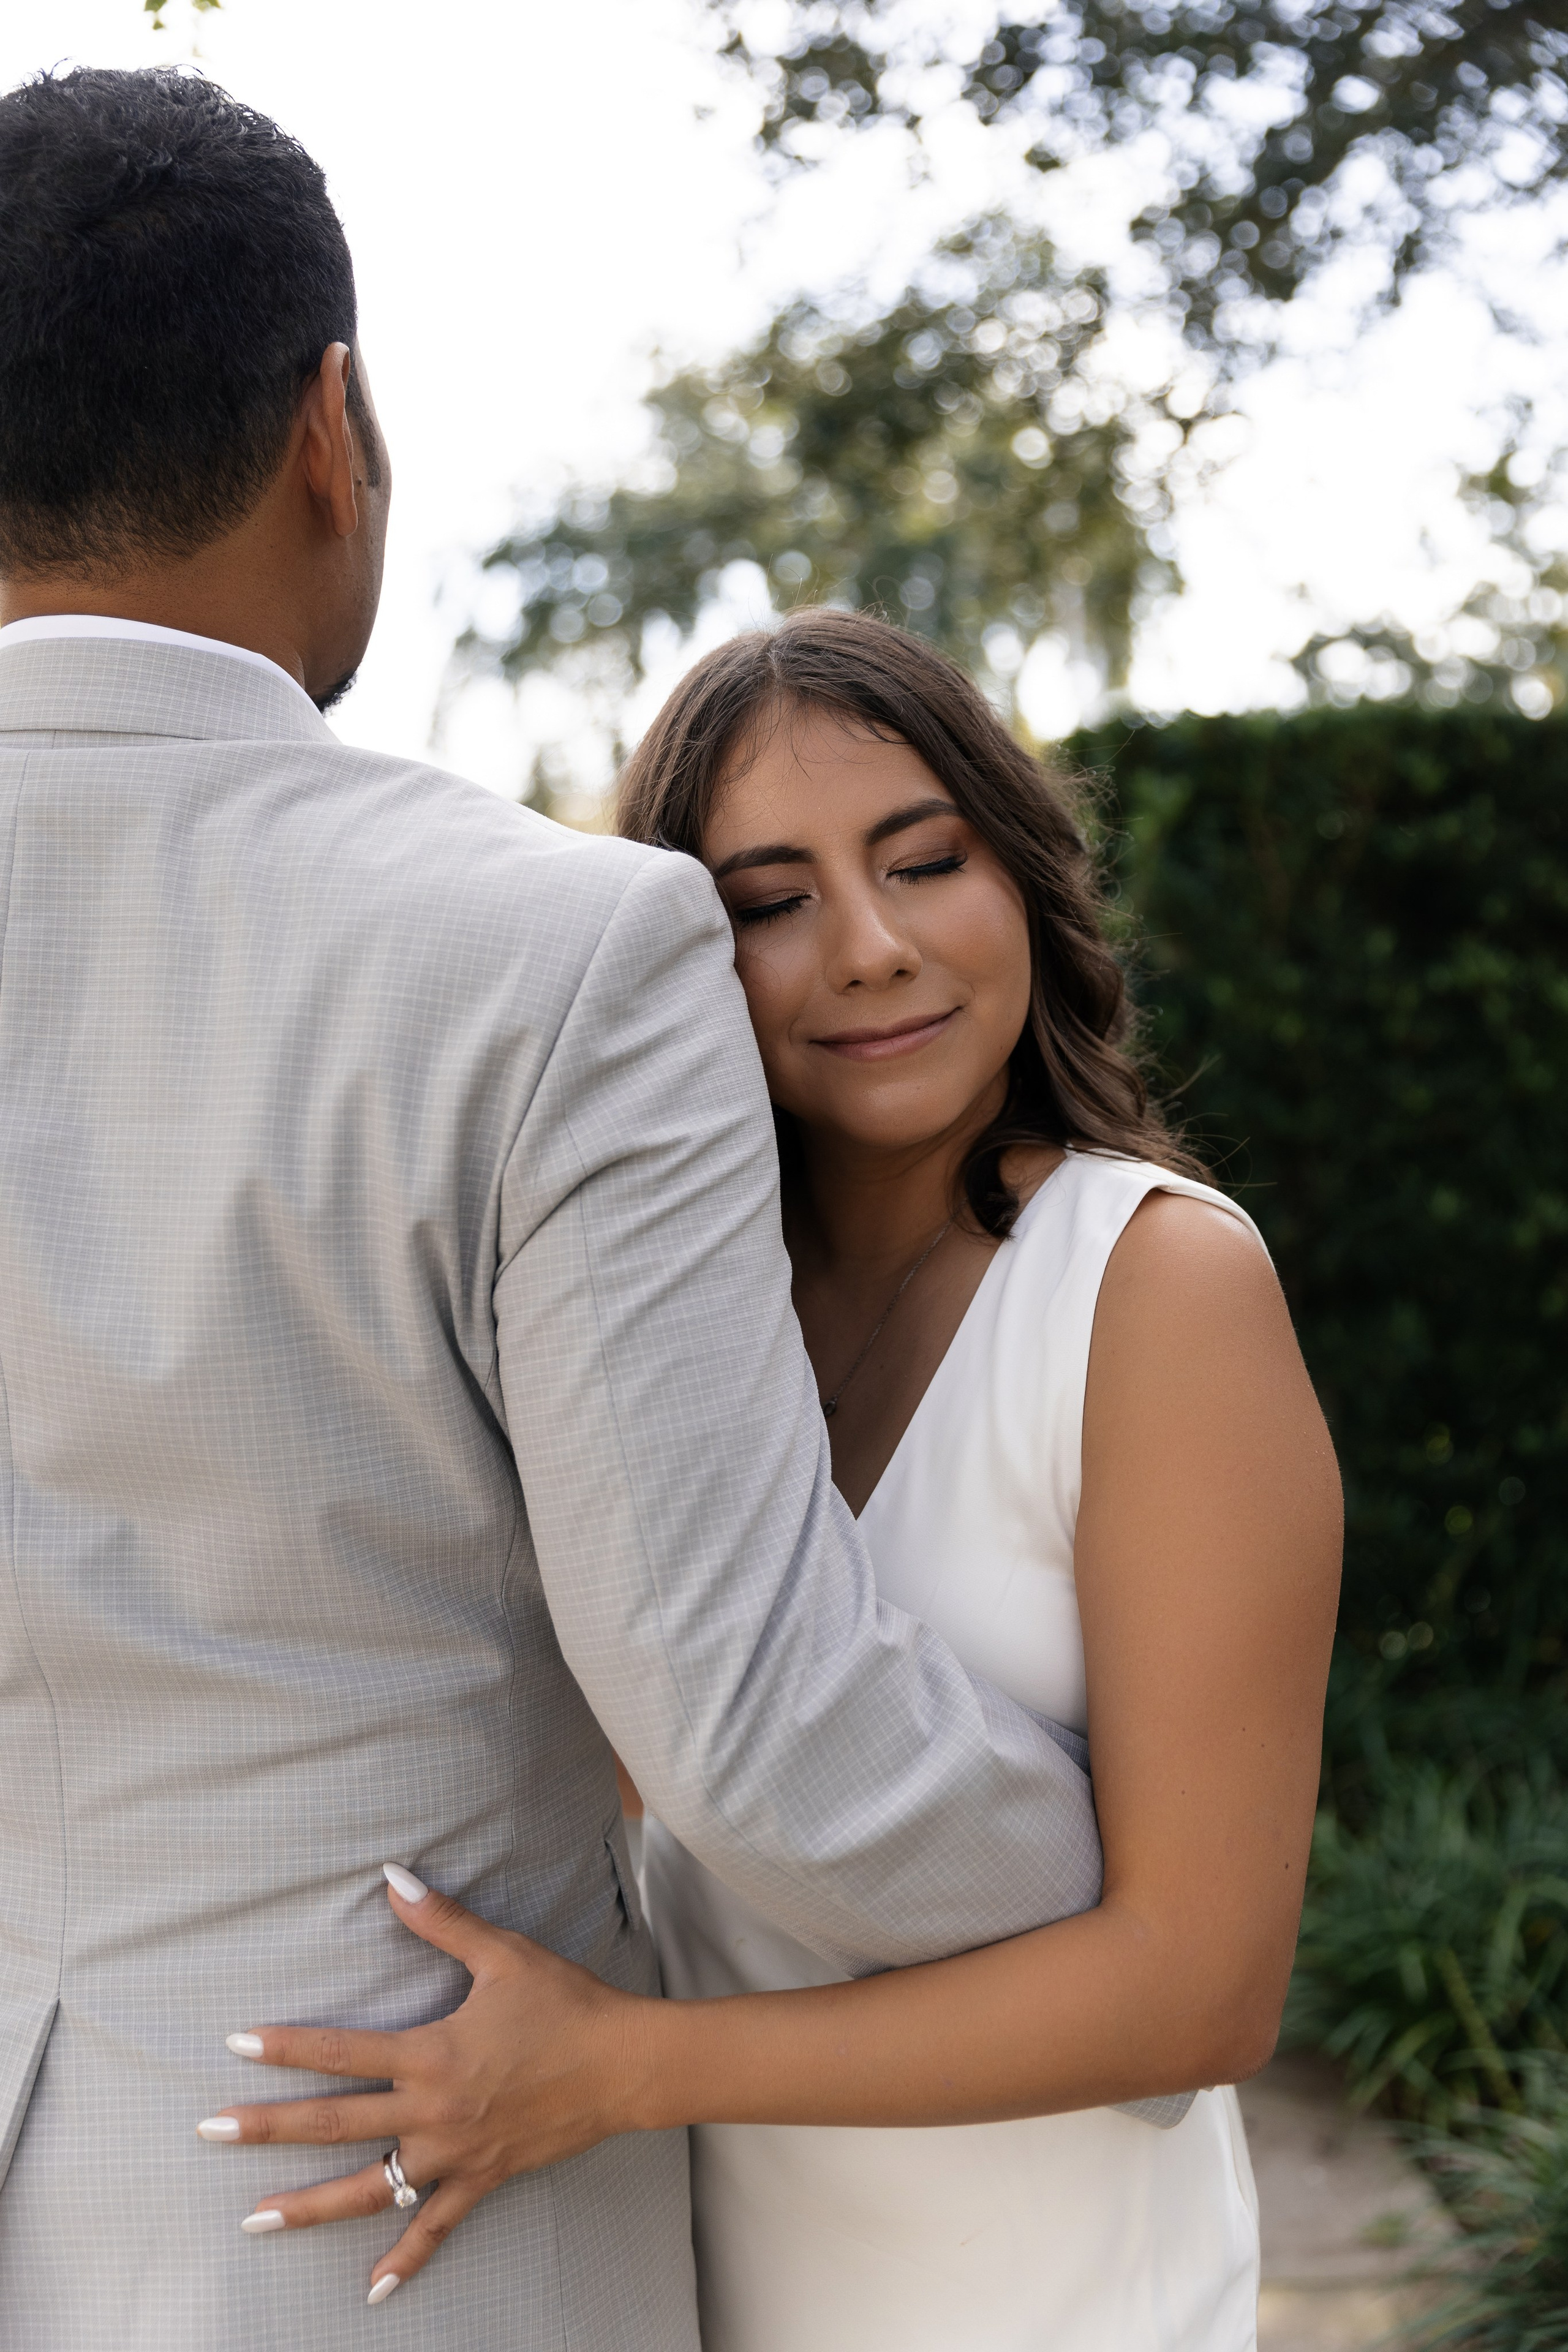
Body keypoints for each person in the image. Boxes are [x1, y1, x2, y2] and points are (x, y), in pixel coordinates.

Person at [0, 69, 1128, 2351]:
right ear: (338, 427)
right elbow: (756, 1736)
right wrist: (1129, 1874)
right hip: (379, 2211)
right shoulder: (555, 951)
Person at [219, 612, 1341, 2348]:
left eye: (923, 861)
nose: (872, 948)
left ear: (1023, 878)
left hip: (1052, 2301)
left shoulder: (1158, 1289)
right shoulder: (653, 1332)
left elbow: (1202, 1990)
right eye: (769, 901)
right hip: (699, 2286)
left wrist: (620, 2073)